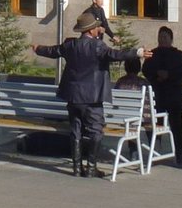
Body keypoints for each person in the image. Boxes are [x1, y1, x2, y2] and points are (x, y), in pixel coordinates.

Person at [32, 12, 143, 178]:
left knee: (76, 130)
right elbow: (116, 55)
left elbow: (53, 51)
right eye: (97, 27)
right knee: (96, 130)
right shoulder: (98, 47)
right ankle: (91, 167)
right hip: (92, 97)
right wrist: (137, 52)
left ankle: (77, 168)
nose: (99, 29)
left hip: (73, 96)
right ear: (91, 30)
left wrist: (38, 49)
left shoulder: (71, 45)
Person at [142, 25, 182, 166]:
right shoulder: (152, 54)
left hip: (174, 96)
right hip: (158, 95)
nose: (162, 39)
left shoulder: (178, 54)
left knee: (177, 126)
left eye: (165, 37)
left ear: (171, 39)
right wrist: (157, 75)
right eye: (160, 37)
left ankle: (179, 151)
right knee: (155, 125)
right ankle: (155, 150)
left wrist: (168, 75)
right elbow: (146, 70)